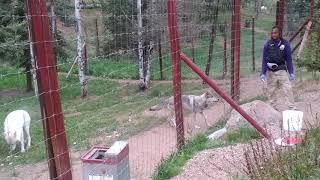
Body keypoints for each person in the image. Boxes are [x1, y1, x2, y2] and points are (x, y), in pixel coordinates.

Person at [260, 25, 295, 112]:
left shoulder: (285, 44)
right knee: (271, 90)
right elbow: (264, 60)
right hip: (270, 71)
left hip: (281, 69)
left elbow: (289, 59)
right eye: (272, 33)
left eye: (275, 33)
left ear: (279, 33)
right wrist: (263, 73)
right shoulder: (267, 44)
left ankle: (291, 107)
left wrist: (291, 72)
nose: (273, 34)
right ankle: (273, 108)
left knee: (288, 87)